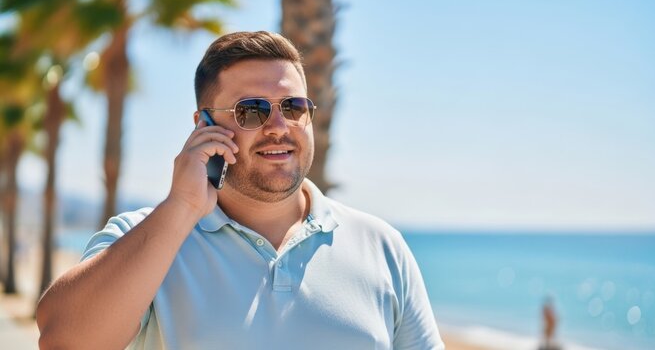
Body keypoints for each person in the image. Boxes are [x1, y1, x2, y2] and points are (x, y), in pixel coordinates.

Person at [36, 31, 444, 350]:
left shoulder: (381, 246)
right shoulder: (143, 236)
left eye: (293, 107)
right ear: (203, 125)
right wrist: (181, 207)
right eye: (252, 110)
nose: (279, 127)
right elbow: (63, 341)